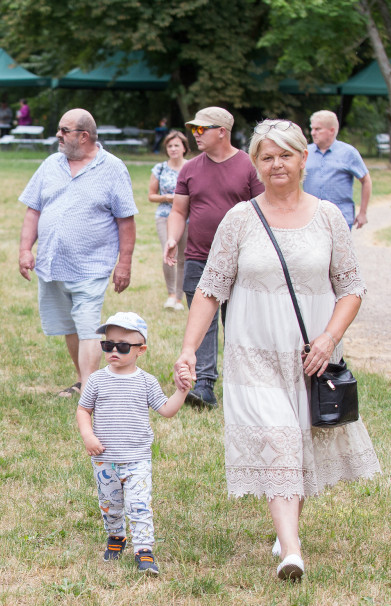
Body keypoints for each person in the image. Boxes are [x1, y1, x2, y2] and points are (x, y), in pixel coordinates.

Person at [173, 119, 381, 582]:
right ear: (256, 163)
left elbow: (351, 288)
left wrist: (329, 338)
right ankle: (292, 552)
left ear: (304, 158)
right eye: (266, 157)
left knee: (300, 443)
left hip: (311, 355)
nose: (276, 164)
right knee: (279, 438)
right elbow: (210, 288)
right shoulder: (241, 219)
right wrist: (189, 350)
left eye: (285, 154)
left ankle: (286, 526)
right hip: (254, 353)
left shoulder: (328, 216)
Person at [18, 108, 138, 397]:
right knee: (69, 326)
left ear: (83, 136)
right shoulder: (50, 164)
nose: (58, 135)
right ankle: (85, 382)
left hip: (91, 266)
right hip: (52, 264)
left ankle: (89, 391)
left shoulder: (113, 168)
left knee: (87, 326)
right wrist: (25, 249)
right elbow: (33, 211)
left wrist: (124, 263)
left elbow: (126, 221)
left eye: (64, 130)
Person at [163, 106, 264, 409]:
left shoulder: (249, 166)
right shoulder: (190, 168)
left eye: (200, 130)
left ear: (222, 131)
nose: (195, 135)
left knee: (238, 321)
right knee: (202, 322)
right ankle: (204, 385)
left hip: (241, 260)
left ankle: (241, 384)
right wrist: (172, 237)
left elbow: (262, 212)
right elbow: (179, 211)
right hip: (198, 256)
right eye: (193, 129)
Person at [76, 312, 190, 576]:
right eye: (108, 344)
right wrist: (87, 435)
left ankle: (143, 550)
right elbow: (83, 410)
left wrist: (181, 391)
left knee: (139, 505)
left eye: (123, 346)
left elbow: (166, 410)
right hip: (105, 459)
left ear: (141, 350)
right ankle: (116, 536)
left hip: (137, 458)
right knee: (110, 503)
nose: (114, 350)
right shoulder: (96, 380)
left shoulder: (146, 381)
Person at [303, 110, 372, 229]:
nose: (313, 133)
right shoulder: (305, 153)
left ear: (331, 131)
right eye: (312, 128)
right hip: (311, 217)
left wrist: (363, 213)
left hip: (340, 217)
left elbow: (366, 180)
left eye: (318, 129)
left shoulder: (348, 153)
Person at [149, 129, 190, 311]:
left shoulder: (191, 166)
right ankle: (171, 295)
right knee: (168, 254)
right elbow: (151, 195)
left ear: (184, 148)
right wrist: (168, 198)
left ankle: (180, 299)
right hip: (164, 216)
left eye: (176, 145)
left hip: (187, 218)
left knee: (183, 257)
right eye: (170, 146)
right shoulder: (160, 168)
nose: (173, 149)